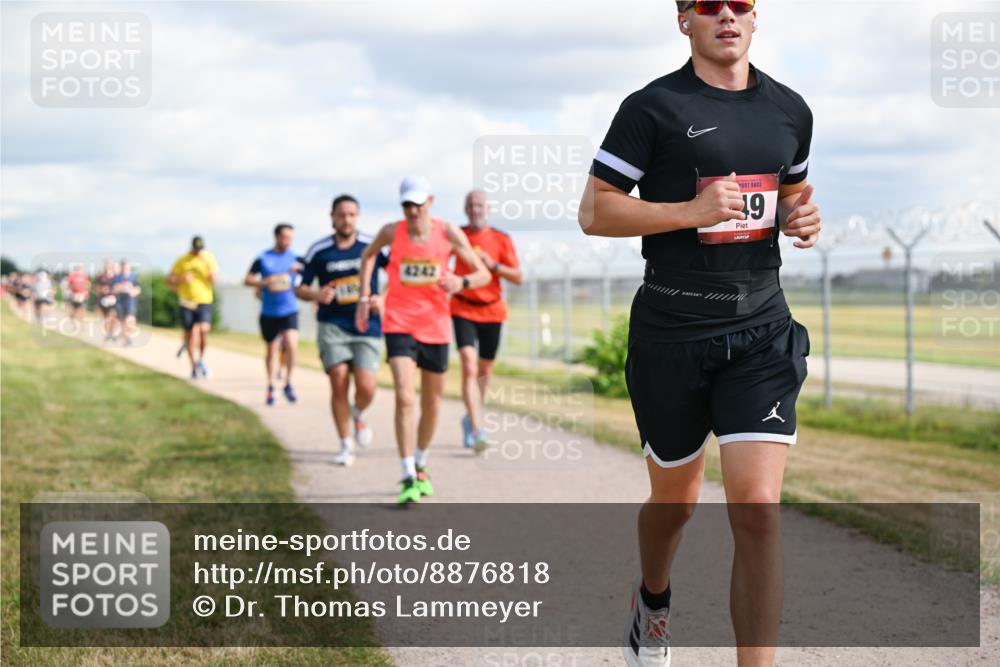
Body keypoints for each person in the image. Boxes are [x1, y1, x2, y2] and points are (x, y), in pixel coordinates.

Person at [578, 2, 821, 665]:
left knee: (758, 508)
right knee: (675, 504)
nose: (726, 15)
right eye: (708, 5)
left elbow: (793, 190)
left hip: (761, 328)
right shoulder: (651, 107)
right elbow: (594, 211)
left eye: (739, 3)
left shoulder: (790, 110)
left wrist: (801, 219)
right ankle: (652, 601)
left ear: (755, 16)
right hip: (672, 331)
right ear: (683, 19)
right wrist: (687, 211)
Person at [357, 177, 491, 504]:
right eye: (407, 204)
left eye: (418, 203)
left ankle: (419, 462)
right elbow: (369, 256)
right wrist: (365, 296)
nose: (413, 210)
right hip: (399, 323)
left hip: (435, 327)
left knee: (432, 404)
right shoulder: (392, 231)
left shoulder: (447, 233)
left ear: (430, 201)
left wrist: (461, 281)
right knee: (405, 396)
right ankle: (406, 473)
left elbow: (483, 274)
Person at [297, 195, 388, 466]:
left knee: (367, 386)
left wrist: (382, 298)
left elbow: (397, 273)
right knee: (338, 381)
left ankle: (358, 412)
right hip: (332, 325)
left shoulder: (372, 245)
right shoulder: (319, 250)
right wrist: (316, 293)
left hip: (366, 325)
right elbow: (299, 287)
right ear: (332, 217)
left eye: (351, 214)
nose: (346, 219)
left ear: (357, 217)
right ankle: (345, 445)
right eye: (341, 214)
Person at [451, 190, 522, 450]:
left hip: (492, 310)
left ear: (488, 208)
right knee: (469, 365)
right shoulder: (457, 236)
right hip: (462, 307)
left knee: (484, 371)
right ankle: (478, 428)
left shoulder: (501, 238)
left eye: (479, 205)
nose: (475, 209)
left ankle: (472, 417)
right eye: (470, 205)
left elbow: (518, 277)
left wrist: (493, 266)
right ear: (465, 208)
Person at [245, 223, 303, 405]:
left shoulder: (296, 258)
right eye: (285, 237)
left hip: (290, 309)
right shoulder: (263, 258)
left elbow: (307, 279)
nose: (288, 241)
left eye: (291, 238)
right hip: (269, 312)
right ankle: (271, 386)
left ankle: (288, 382)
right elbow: (247, 280)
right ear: (276, 237)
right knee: (272, 350)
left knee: (292, 344)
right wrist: (264, 282)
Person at [167, 236, 219, 379]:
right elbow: (169, 279)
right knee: (190, 335)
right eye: (195, 249)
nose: (197, 252)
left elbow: (215, 280)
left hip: (204, 301)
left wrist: (207, 268)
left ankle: (201, 359)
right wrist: (181, 279)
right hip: (186, 302)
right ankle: (193, 367)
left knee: (204, 330)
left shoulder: (208, 259)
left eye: (200, 249)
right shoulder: (182, 260)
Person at [112, 260, 142, 346]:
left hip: (130, 301)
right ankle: (125, 337)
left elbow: (138, 289)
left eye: (127, 267)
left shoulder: (134, 277)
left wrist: (134, 292)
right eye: (124, 267)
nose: (126, 269)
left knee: (129, 319)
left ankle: (128, 337)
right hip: (120, 301)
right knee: (122, 320)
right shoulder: (117, 278)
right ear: (121, 268)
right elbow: (114, 289)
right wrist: (121, 288)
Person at [95, 260, 119, 342]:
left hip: (114, 300)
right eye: (106, 265)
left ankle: (112, 333)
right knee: (106, 319)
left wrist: (113, 290)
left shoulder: (116, 276)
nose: (108, 266)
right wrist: (102, 290)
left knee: (113, 317)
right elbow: (96, 288)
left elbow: (118, 287)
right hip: (103, 300)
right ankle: (108, 334)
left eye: (109, 264)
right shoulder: (100, 277)